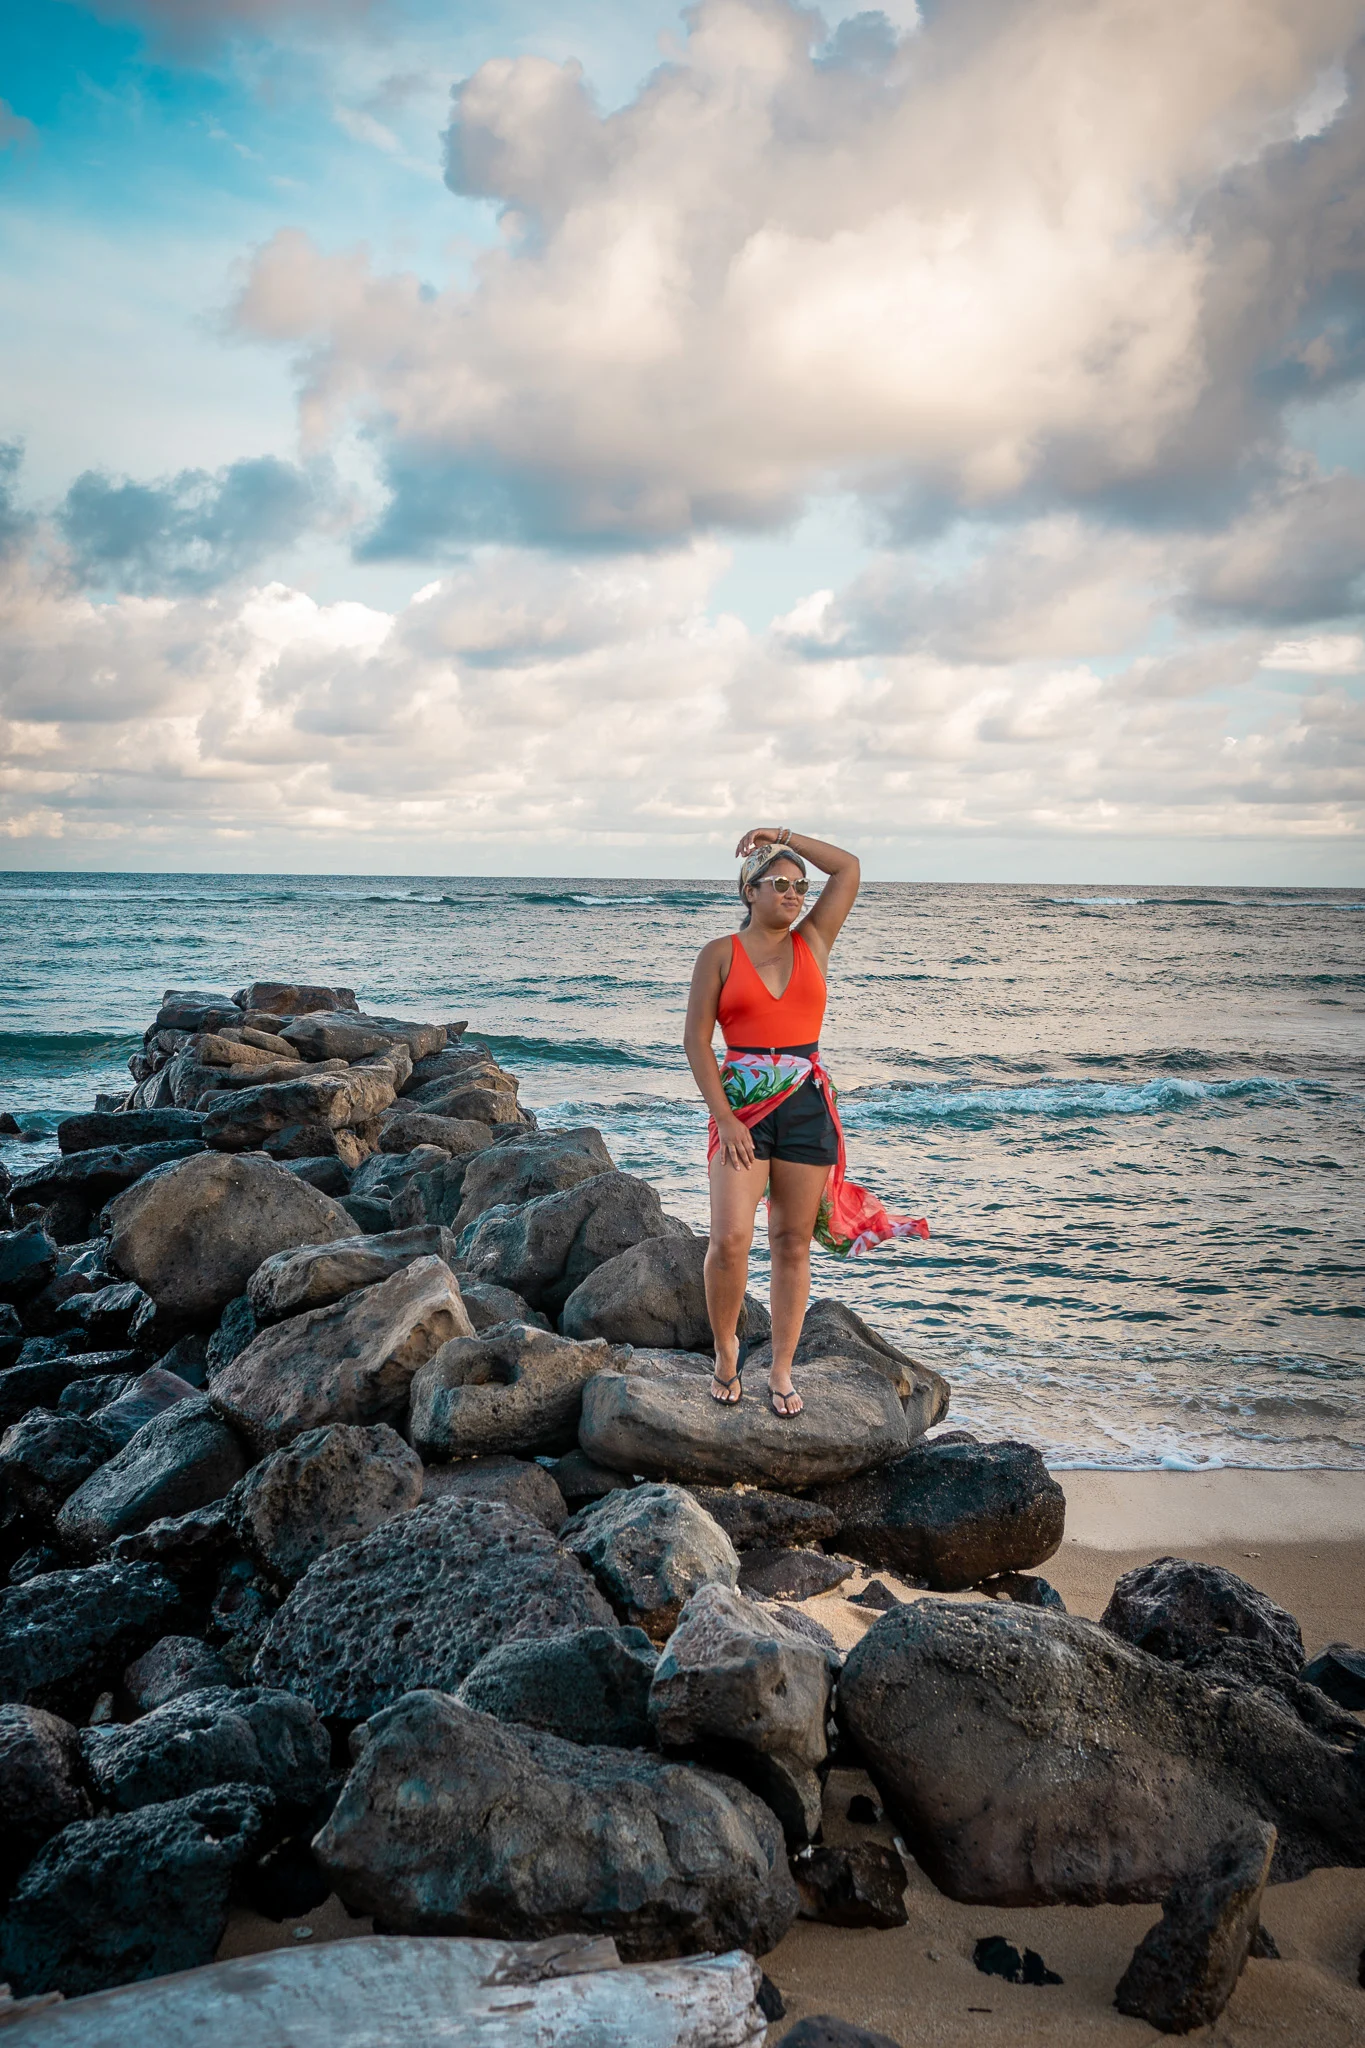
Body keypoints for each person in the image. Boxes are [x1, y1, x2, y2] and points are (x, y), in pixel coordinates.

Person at [684, 826, 929, 1418]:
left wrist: (786, 835)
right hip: (741, 1107)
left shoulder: (813, 941)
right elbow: (695, 1042)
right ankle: (725, 1350)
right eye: (780, 884)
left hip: (805, 1105)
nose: (794, 895)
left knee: (792, 1243)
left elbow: (848, 868)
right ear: (750, 890)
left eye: (800, 886)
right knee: (729, 1239)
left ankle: (782, 1370)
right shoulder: (719, 954)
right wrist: (726, 1118)